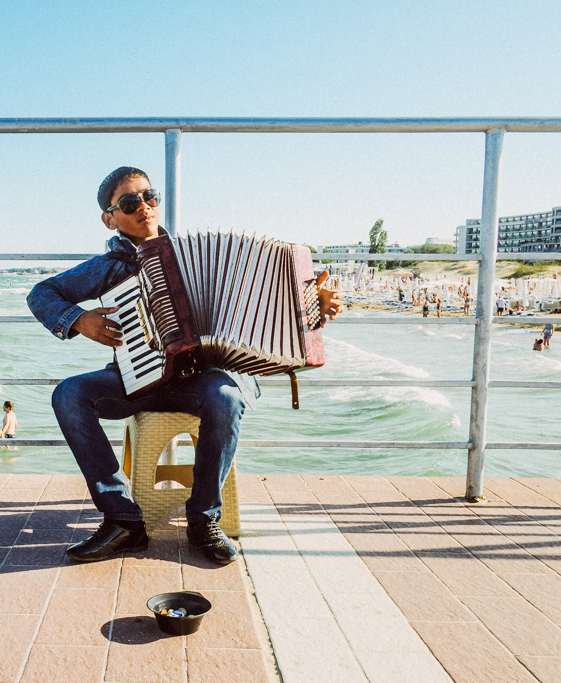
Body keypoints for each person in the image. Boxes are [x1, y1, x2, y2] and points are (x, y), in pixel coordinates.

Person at [26, 166, 342, 566]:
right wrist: (78, 320)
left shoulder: (196, 255)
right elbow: (42, 293)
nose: (143, 207)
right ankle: (122, 518)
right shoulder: (108, 266)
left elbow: (268, 306)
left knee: (225, 397)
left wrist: (314, 307)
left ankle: (204, 518)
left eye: (149, 196)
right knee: (69, 394)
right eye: (129, 202)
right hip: (139, 377)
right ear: (110, 218)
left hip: (200, 381)